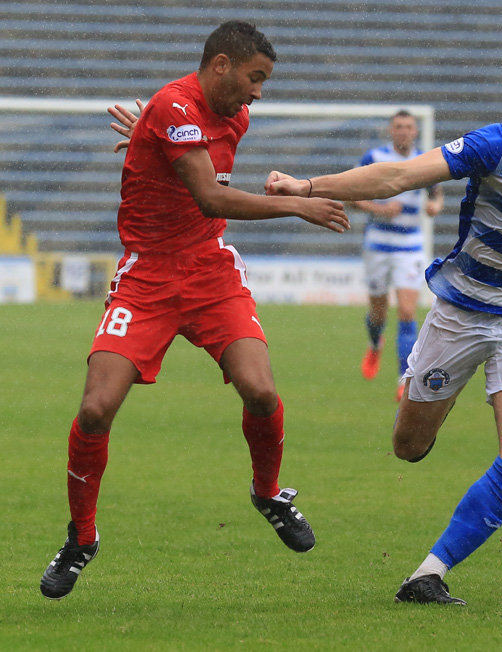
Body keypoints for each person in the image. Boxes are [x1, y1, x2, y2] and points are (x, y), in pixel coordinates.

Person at [266, 41, 502, 605]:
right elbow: (399, 177)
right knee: (408, 445)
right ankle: (432, 388)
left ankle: (429, 573)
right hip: (462, 312)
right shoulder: (498, 144)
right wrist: (307, 186)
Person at [39, 21, 349, 601]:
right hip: (147, 277)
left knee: (260, 391)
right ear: (222, 65)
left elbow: (188, 158)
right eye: (255, 78)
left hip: (209, 270)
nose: (258, 92)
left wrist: (150, 139)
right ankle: (82, 538)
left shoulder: (228, 114)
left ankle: (268, 494)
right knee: (95, 408)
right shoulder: (173, 104)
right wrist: (297, 206)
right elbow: (209, 193)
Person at [353, 111, 444, 400]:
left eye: (408, 127)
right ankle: (374, 342)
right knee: (379, 311)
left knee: (407, 311)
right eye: (398, 127)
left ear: (415, 131)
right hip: (377, 243)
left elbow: (436, 194)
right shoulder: (374, 157)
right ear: (390, 131)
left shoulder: (424, 160)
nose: (403, 131)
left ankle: (403, 379)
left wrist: (435, 206)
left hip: (410, 245)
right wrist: (379, 210)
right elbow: (351, 198)